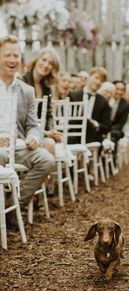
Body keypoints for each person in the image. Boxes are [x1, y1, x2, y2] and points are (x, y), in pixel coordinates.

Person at [0, 35, 55, 226]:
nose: (13, 60)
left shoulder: (27, 91)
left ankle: (14, 206)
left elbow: (33, 125)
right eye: (8, 55)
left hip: (19, 146)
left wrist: (33, 136)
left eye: (16, 56)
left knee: (47, 160)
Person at [22, 47, 62, 155]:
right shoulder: (22, 83)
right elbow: (22, 119)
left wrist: (52, 131)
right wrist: (46, 133)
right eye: (44, 60)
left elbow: (48, 115)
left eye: (51, 63)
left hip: (40, 133)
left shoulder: (46, 88)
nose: (46, 65)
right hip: (24, 133)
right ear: (36, 60)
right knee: (49, 143)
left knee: (51, 142)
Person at [69, 67, 111, 144]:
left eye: (101, 80)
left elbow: (107, 126)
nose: (98, 82)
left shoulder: (104, 102)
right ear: (89, 77)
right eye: (96, 78)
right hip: (73, 137)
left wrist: (97, 124)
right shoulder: (73, 96)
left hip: (93, 138)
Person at [110, 80, 129, 152]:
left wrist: (108, 130)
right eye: (117, 89)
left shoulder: (126, 105)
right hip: (103, 126)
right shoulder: (106, 99)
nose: (119, 92)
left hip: (116, 129)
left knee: (115, 133)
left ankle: (113, 156)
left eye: (122, 90)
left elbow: (121, 124)